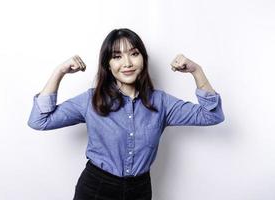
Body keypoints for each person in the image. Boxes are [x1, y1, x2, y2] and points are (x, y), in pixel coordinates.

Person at [27, 28, 225, 200]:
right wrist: (59, 72)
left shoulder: (161, 102)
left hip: (139, 191)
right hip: (96, 188)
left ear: (143, 59)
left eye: (134, 53)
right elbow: (39, 120)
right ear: (108, 64)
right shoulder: (91, 100)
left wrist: (196, 71)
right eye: (117, 56)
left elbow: (212, 115)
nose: (127, 63)